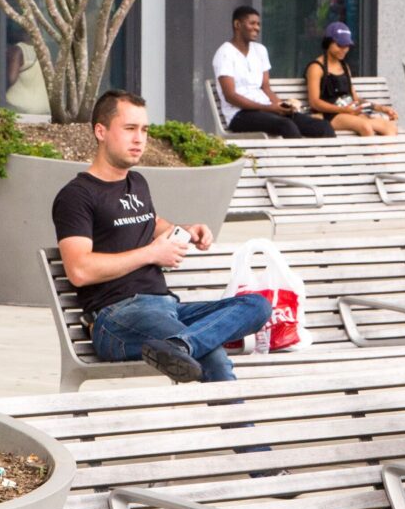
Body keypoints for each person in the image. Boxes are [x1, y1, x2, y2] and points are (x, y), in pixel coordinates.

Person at [52, 90, 270, 383]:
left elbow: (150, 223)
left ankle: (181, 345)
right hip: (117, 318)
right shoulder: (76, 196)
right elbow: (79, 270)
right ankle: (241, 427)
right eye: (129, 129)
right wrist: (152, 254)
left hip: (167, 309)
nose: (139, 139)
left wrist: (186, 231)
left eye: (144, 130)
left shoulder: (137, 183)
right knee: (211, 355)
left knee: (257, 305)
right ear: (100, 131)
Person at [213, 6, 331, 137]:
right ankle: (296, 157)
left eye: (258, 24)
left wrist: (281, 106)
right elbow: (230, 96)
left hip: (266, 110)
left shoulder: (260, 50)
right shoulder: (225, 53)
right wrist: (269, 108)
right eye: (252, 23)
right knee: (286, 125)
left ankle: (319, 158)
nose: (257, 28)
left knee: (323, 126)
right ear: (237, 25)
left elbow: (265, 88)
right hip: (239, 115)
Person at [303, 22, 397, 135]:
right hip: (330, 115)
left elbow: (355, 99)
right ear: (328, 43)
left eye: (347, 46)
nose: (344, 50)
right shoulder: (316, 67)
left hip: (350, 112)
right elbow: (314, 103)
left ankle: (386, 153)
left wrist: (381, 108)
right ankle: (374, 152)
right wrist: (344, 110)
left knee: (390, 127)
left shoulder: (344, 66)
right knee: (365, 126)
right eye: (339, 45)